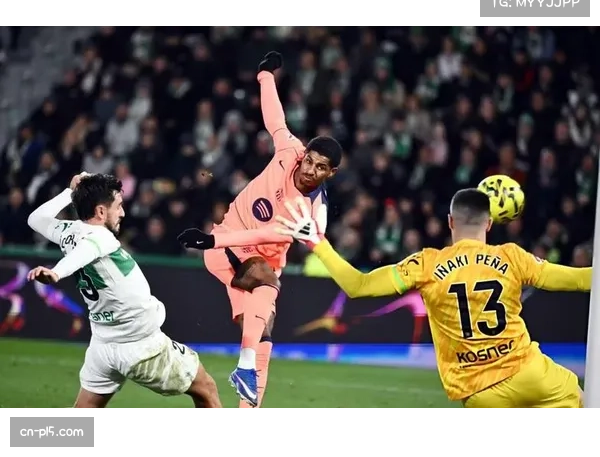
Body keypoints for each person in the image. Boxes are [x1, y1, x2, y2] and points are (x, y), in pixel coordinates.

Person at [275, 190, 592, 409]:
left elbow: (358, 286)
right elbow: (580, 279)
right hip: (532, 375)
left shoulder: (426, 264)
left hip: (480, 392)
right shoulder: (513, 257)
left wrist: (318, 243)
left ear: (451, 221)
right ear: (489, 223)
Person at [177, 51, 342, 408]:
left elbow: (263, 237)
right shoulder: (290, 151)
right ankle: (244, 367)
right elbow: (275, 119)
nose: (310, 170)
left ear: (331, 174)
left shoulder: (309, 214)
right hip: (231, 247)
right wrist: (265, 76)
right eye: (310, 161)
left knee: (262, 336)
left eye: (320, 168)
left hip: (248, 253)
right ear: (305, 154)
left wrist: (213, 240)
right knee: (267, 285)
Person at [26, 172, 222, 409]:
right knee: (207, 389)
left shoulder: (70, 232)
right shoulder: (101, 237)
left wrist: (70, 192)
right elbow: (87, 250)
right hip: (140, 344)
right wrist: (57, 272)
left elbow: (36, 219)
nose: (123, 213)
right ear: (101, 212)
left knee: (84, 412)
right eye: (118, 206)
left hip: (103, 344)